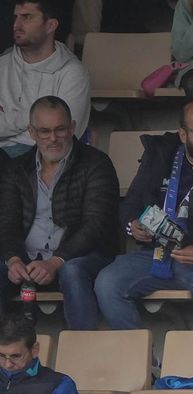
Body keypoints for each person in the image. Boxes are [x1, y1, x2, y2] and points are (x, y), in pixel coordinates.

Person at [96, 101, 193, 331]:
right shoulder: (160, 155)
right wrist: (133, 225)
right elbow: (130, 203)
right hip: (157, 252)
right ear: (183, 134)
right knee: (107, 282)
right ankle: (143, 361)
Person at [0, 97, 116, 329]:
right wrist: (13, 259)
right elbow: (6, 221)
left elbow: (95, 225)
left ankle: (82, 352)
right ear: (31, 132)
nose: (53, 138)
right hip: (26, 259)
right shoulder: (17, 167)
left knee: (72, 271)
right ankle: (8, 354)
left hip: (79, 256)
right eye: (44, 131)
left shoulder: (96, 163)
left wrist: (55, 261)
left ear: (72, 127)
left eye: (60, 129)